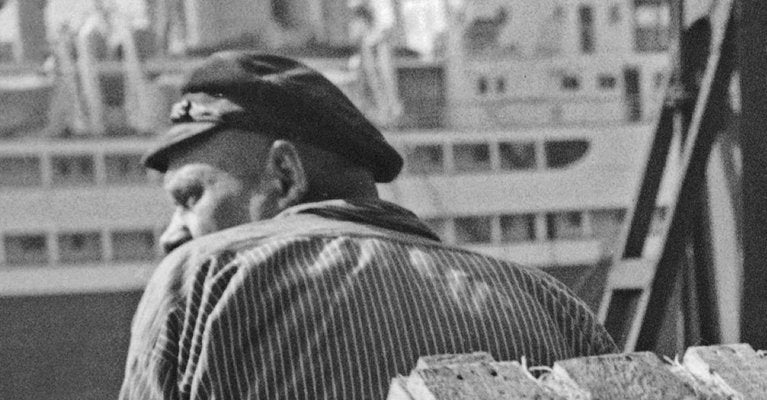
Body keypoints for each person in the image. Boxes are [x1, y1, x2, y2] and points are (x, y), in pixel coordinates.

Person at [120, 51, 616, 400]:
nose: (171, 232)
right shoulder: (550, 303)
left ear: (286, 175)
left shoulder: (205, 277)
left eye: (191, 197)